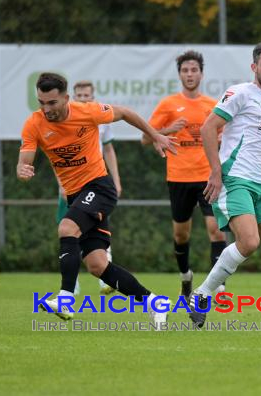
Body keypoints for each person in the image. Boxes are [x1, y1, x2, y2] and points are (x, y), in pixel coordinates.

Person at [17, 72, 176, 328]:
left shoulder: (87, 112)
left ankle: (66, 298)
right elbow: (23, 161)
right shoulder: (34, 124)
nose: (46, 109)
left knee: (66, 228)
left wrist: (155, 134)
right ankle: (155, 303)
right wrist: (22, 171)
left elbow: (125, 113)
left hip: (99, 187)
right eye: (41, 103)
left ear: (66, 98)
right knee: (97, 265)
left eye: (52, 103)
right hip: (75, 196)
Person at [188, 40, 261, 328]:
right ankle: (203, 293)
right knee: (249, 242)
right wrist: (215, 172)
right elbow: (208, 128)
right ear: (254, 66)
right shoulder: (240, 93)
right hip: (235, 179)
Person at [142, 51, 227, 302]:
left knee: (217, 229)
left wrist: (221, 139)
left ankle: (218, 284)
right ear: (180, 74)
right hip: (178, 178)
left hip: (207, 176)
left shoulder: (212, 105)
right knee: (181, 235)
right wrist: (168, 129)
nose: (190, 74)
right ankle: (185, 276)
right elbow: (146, 138)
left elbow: (225, 135)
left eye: (194, 70)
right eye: (185, 70)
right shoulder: (168, 105)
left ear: (201, 73)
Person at [57, 80, 121, 296]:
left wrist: (116, 180)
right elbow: (58, 156)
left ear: (93, 98)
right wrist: (61, 185)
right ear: (73, 98)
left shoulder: (100, 119)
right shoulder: (65, 120)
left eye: (87, 96)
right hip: (71, 186)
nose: (84, 99)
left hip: (95, 182)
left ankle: (104, 278)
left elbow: (109, 151)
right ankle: (71, 285)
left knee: (96, 228)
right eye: (80, 96)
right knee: (68, 230)